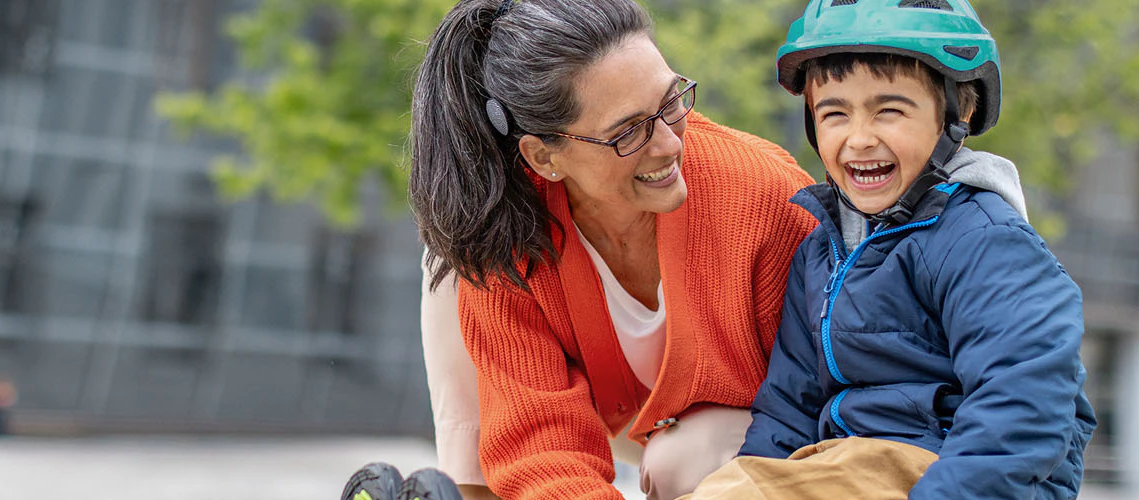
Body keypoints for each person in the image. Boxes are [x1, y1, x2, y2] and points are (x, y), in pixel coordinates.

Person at [351, 1, 818, 499]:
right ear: (544, 156)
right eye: (628, 131)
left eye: (671, 101)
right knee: (454, 257)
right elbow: (542, 442)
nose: (668, 144)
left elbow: (816, 397)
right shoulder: (513, 236)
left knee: (684, 459)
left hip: (748, 433)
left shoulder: (764, 196)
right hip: (618, 421)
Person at [684, 0, 1097, 498]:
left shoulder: (985, 240)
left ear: (957, 113)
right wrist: (755, 475)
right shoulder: (821, 250)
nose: (859, 138)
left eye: (889, 111)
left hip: (946, 470)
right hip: (845, 460)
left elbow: (1022, 403)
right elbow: (789, 407)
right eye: (835, 113)